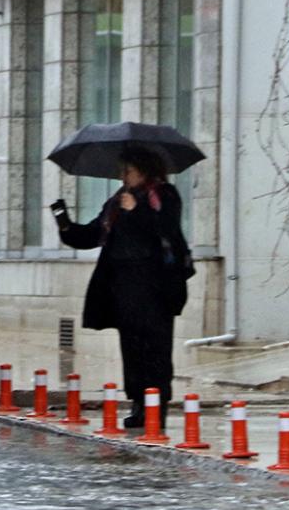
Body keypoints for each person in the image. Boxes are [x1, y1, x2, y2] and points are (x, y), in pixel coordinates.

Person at [54, 147, 194, 429]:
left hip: (155, 288)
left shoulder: (163, 195)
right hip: (123, 288)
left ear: (143, 170)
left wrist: (138, 209)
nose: (122, 176)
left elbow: (166, 231)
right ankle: (139, 403)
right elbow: (95, 234)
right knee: (131, 347)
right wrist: (65, 224)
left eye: (127, 171)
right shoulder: (117, 201)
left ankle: (157, 406)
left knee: (155, 347)